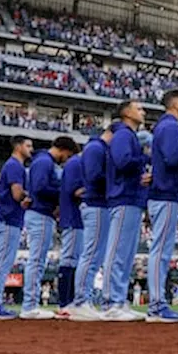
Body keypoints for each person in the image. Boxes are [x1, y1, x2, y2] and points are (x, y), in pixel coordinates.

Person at [101, 100, 149, 322]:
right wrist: (145, 158)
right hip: (123, 197)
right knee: (118, 251)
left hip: (131, 196)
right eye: (139, 108)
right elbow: (122, 162)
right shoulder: (123, 134)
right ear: (127, 112)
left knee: (126, 254)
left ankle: (119, 300)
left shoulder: (128, 135)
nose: (143, 111)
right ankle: (111, 302)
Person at [22, 136, 79, 320]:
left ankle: (31, 304)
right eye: (67, 155)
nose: (66, 160)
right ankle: (30, 306)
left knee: (38, 261)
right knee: (37, 261)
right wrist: (63, 193)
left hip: (42, 214)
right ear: (62, 149)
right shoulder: (44, 161)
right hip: (39, 213)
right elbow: (39, 188)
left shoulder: (45, 161)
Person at [147, 89, 178, 323]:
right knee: (161, 251)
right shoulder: (171, 126)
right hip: (165, 193)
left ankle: (157, 303)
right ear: (174, 104)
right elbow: (174, 159)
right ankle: (156, 304)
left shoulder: (166, 126)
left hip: (165, 193)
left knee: (161, 250)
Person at [69, 127, 113, 321]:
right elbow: (95, 176)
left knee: (94, 255)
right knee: (91, 254)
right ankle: (80, 301)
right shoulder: (96, 147)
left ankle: (83, 300)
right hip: (95, 204)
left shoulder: (97, 147)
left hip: (97, 204)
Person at [0, 136, 33, 320]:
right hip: (9, 219)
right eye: (28, 145)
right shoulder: (15, 165)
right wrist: (30, 197)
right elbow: (17, 194)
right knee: (3, 264)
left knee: (3, 263)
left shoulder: (14, 165)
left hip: (8, 218)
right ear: (18, 146)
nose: (31, 149)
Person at [57, 145, 86, 314]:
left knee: (73, 259)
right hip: (73, 217)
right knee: (70, 259)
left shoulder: (76, 162)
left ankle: (69, 302)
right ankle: (65, 303)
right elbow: (76, 191)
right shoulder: (76, 163)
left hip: (75, 218)